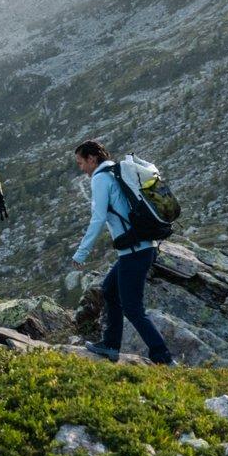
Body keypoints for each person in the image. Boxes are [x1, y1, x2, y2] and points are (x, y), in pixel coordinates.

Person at [73, 139, 172, 364]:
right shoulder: (115, 172)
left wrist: (81, 252)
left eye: (81, 163)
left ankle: (163, 356)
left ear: (92, 158)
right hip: (141, 247)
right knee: (109, 290)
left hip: (134, 251)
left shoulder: (100, 178)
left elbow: (97, 219)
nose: (81, 168)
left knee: (133, 309)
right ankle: (110, 345)